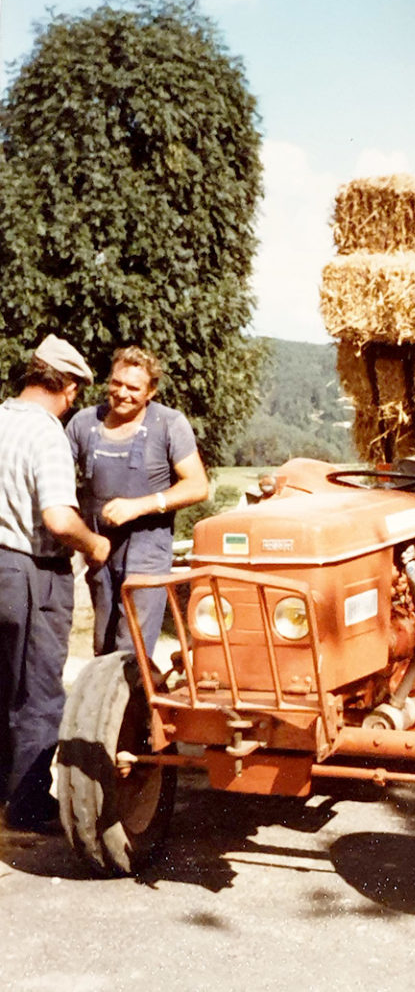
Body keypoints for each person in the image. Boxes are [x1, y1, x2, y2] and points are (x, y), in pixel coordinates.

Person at [0, 335, 111, 832]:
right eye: (74, 395)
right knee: (39, 693)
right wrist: (94, 544)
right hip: (30, 573)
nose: (73, 405)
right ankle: (26, 805)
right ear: (64, 385)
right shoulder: (47, 435)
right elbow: (59, 519)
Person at [66, 346, 208, 657]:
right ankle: (108, 704)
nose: (122, 393)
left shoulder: (168, 424)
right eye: (117, 383)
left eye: (134, 388)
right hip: (100, 546)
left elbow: (198, 486)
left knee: (132, 648)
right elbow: (58, 480)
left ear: (151, 392)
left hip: (147, 548)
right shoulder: (85, 423)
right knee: (103, 646)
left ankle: (135, 705)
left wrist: (139, 505)